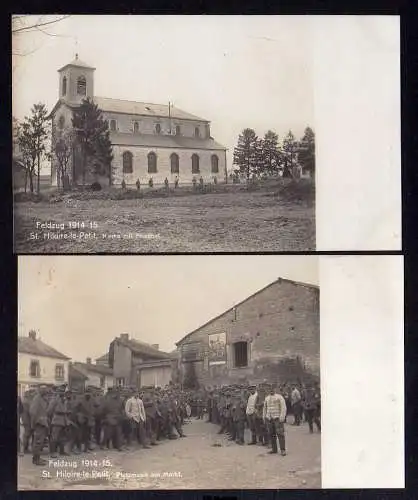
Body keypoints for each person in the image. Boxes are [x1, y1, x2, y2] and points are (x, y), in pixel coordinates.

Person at [263, 384, 287, 456]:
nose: (271, 390)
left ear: (275, 389)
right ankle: (274, 449)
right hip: (269, 418)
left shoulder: (279, 397)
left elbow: (283, 407)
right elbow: (265, 408)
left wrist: (282, 417)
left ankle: (283, 450)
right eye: (269, 389)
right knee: (271, 434)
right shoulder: (266, 398)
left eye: (272, 389)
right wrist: (264, 417)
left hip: (277, 418)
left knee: (280, 434)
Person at [29, 385, 50, 465]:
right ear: (40, 390)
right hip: (39, 423)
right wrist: (34, 423)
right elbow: (32, 412)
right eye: (44, 390)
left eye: (45, 389)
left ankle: (38, 457)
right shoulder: (37, 399)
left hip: (42, 423)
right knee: (38, 442)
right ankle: (36, 459)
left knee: (40, 442)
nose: (46, 391)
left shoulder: (41, 399)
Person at [48, 387, 70, 457]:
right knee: (54, 437)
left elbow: (65, 411)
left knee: (62, 437)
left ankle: (62, 451)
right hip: (57, 420)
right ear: (57, 392)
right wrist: (51, 418)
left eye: (63, 392)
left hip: (64, 420)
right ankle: (52, 452)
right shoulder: (54, 400)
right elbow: (49, 410)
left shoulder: (64, 400)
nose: (62, 393)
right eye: (60, 392)